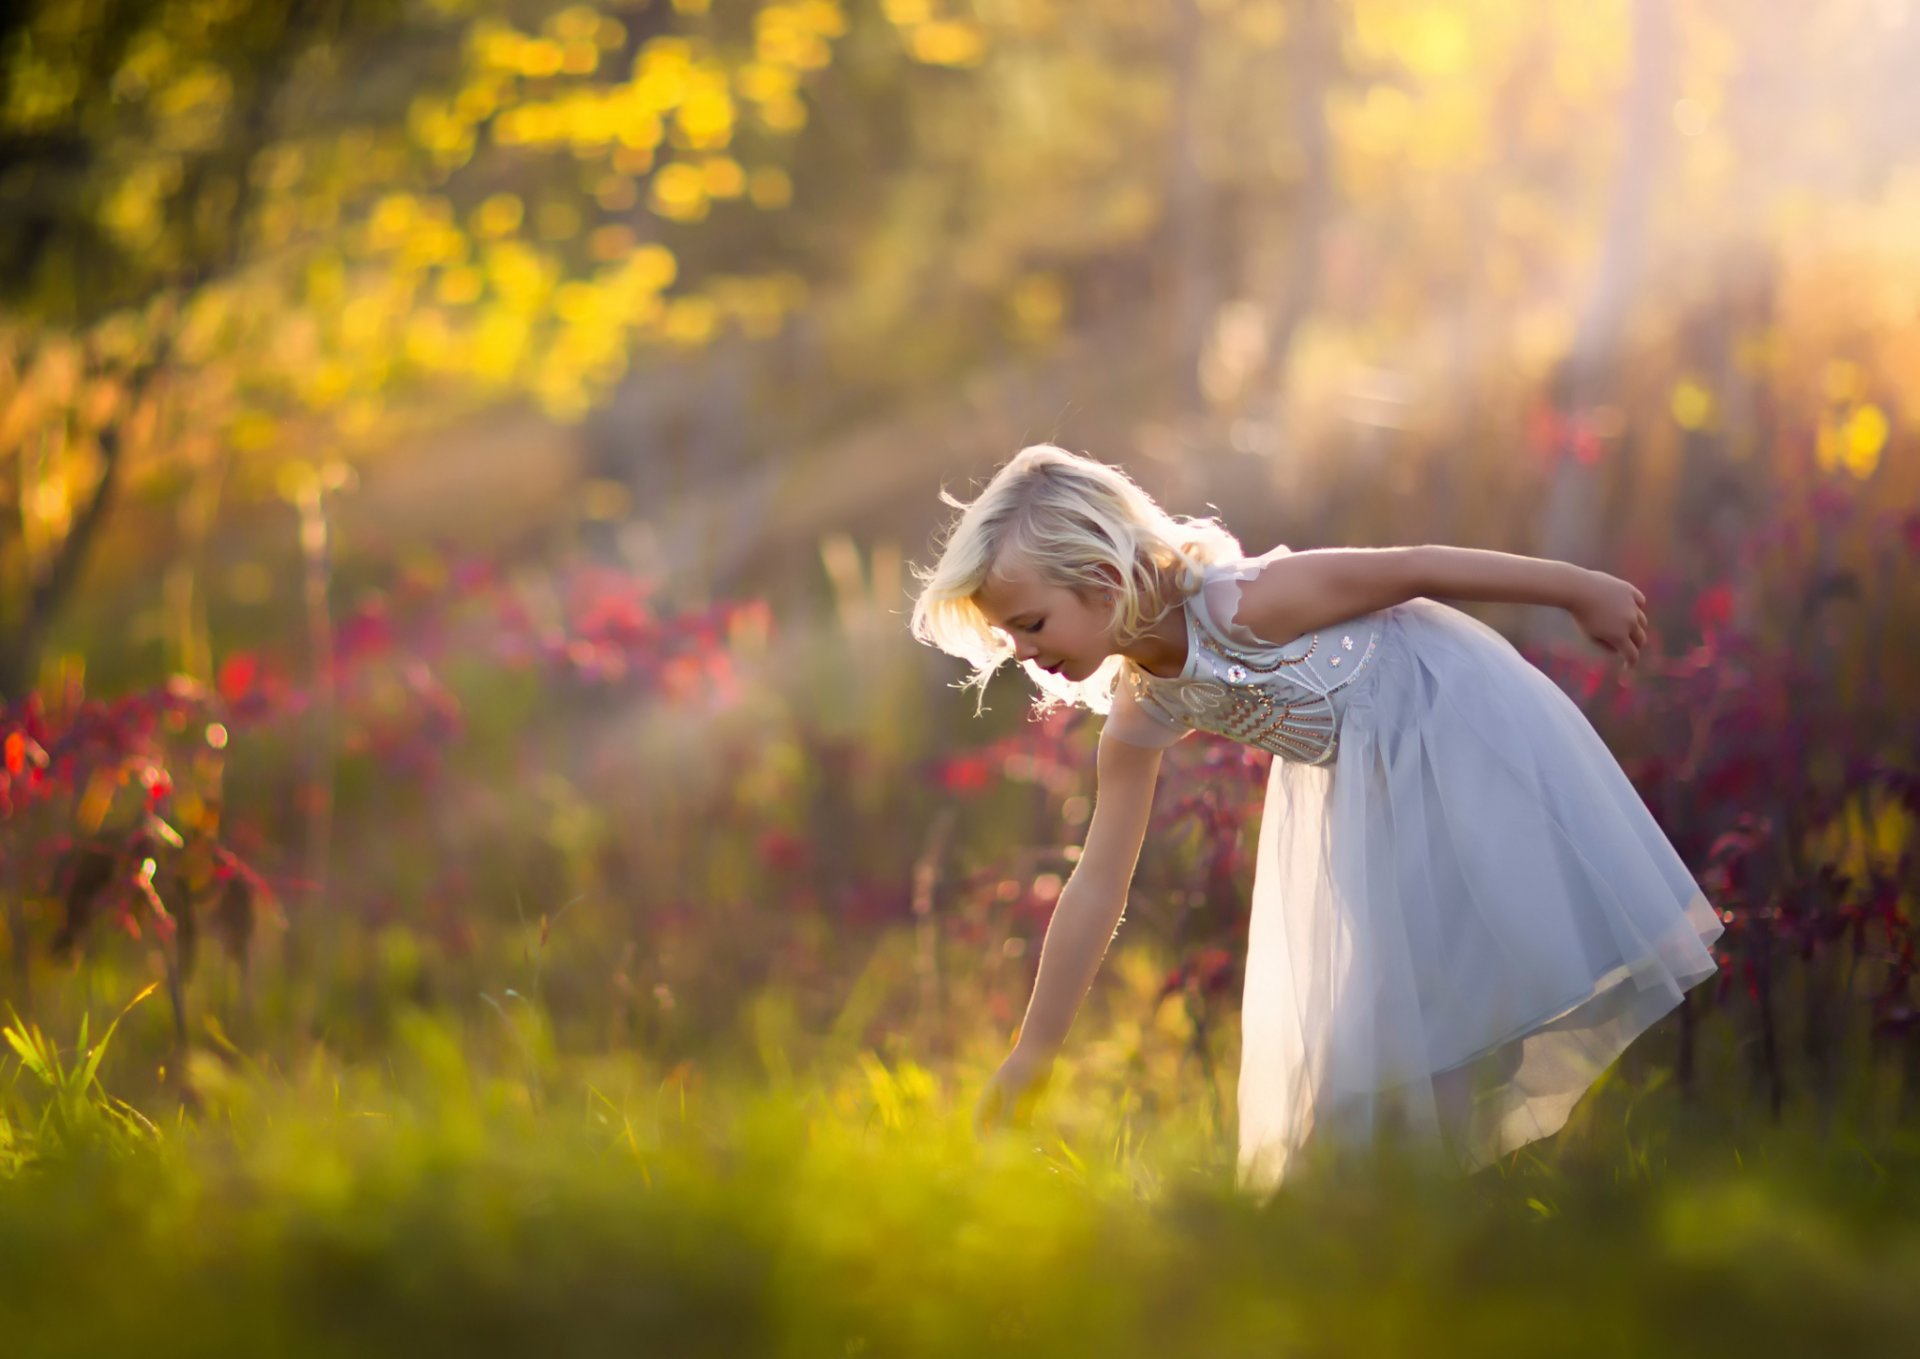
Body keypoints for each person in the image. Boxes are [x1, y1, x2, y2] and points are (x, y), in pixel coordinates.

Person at [907, 444, 1725, 1199]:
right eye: (1006, 634)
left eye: (1031, 623)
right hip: (1366, 791)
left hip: (1459, 731)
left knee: (1438, 1010)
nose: (1019, 650)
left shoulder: (1252, 602)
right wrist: (1033, 1051)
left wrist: (1581, 587)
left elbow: (1415, 567)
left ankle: (1471, 1215)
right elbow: (1096, 884)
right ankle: (1432, 1215)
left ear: (1100, 576)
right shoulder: (1140, 704)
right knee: (1379, 1044)